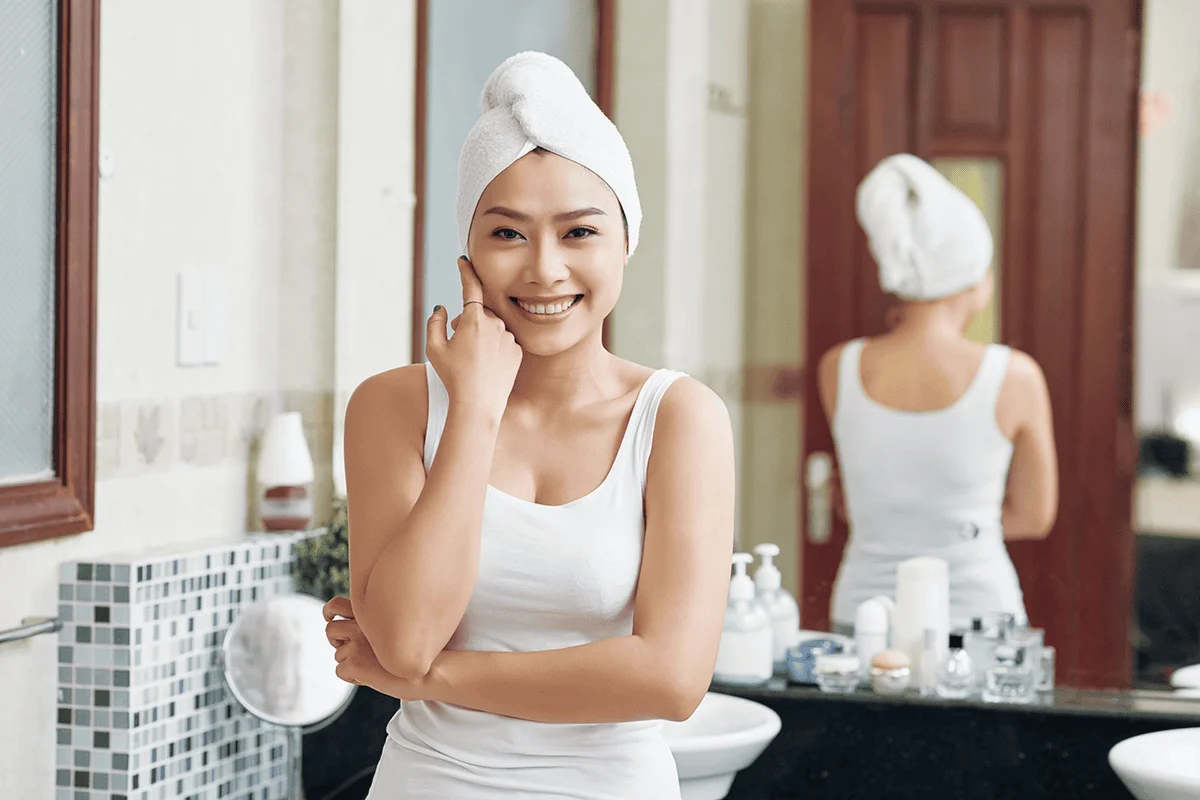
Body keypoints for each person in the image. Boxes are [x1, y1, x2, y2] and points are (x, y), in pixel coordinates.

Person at [319, 52, 735, 799]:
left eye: (578, 233)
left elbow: (671, 680)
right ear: (469, 248)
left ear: (624, 242)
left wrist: (434, 678)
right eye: (508, 234)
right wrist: (474, 410)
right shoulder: (392, 408)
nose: (544, 269)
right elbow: (406, 637)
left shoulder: (678, 420)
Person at [818, 153, 1058, 633]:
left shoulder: (838, 368)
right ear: (975, 280)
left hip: (864, 617)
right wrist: (953, 530)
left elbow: (860, 498)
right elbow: (1034, 516)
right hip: (980, 619)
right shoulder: (1015, 376)